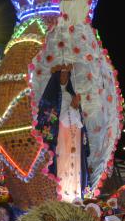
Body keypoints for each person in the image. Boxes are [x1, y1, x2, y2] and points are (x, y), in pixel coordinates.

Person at [36, 65, 90, 202]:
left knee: (75, 161)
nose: (64, 78)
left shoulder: (72, 94)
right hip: (60, 133)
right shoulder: (51, 96)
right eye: (61, 75)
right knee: (62, 160)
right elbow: (49, 118)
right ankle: (61, 195)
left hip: (75, 132)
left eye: (66, 75)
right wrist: (72, 107)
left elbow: (79, 118)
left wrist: (75, 107)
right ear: (56, 76)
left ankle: (75, 194)